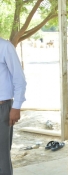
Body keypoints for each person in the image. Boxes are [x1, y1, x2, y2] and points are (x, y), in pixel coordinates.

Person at [0, 38, 26, 175]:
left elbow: (19, 79)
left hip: (2, 108)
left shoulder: (5, 47)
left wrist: (16, 106)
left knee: (1, 157)